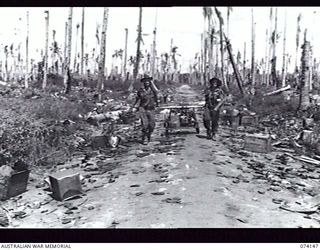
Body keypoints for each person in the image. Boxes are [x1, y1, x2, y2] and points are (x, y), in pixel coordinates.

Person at [130, 75, 159, 145]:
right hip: (142, 108)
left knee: (152, 125)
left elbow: (157, 92)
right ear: (143, 82)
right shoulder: (140, 90)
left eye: (148, 81)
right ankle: (144, 137)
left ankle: (148, 135)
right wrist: (131, 107)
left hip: (151, 108)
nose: (146, 82)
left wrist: (152, 83)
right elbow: (137, 99)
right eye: (145, 81)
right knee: (145, 124)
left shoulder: (153, 90)